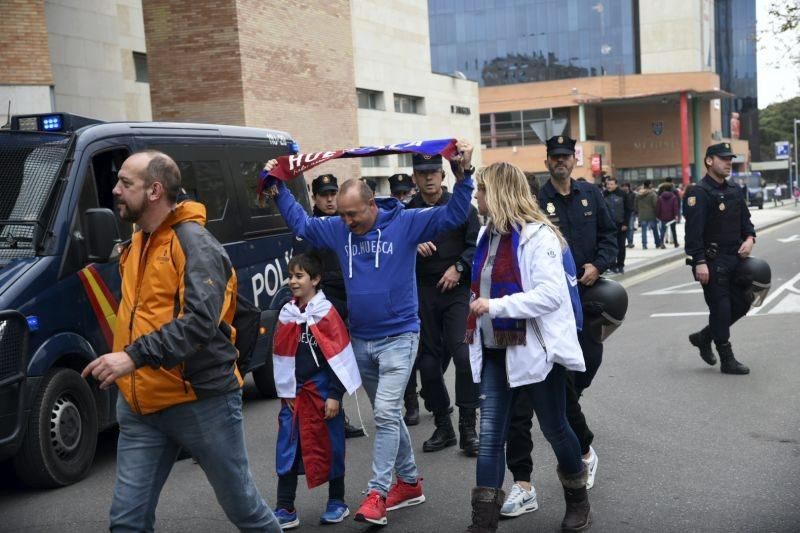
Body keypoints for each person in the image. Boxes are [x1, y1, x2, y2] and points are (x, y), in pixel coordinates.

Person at [263, 139, 475, 526]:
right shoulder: (339, 231)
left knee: (385, 413)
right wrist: (277, 190)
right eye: (342, 215)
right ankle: (409, 482)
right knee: (389, 417)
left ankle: (378, 492)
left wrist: (463, 177)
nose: (347, 222)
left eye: (353, 214)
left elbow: (455, 216)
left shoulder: (406, 223)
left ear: (372, 205)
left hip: (400, 337)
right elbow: (304, 224)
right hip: (360, 340)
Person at [81, 151, 280, 532]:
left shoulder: (196, 245)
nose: (115, 190)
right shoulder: (138, 240)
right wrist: (127, 362)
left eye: (126, 183)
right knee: (126, 521)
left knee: (246, 512)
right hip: (141, 406)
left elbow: (200, 324)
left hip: (202, 403)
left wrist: (132, 357)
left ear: (155, 190)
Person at [464, 161, 590, 533]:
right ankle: (483, 521)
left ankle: (578, 499)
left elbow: (550, 296)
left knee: (554, 427)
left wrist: (495, 306)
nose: (476, 196)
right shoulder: (486, 235)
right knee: (490, 436)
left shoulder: (540, 237)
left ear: (499, 192)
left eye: (481, 189)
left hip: (535, 351)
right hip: (493, 347)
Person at [501, 136, 616, 520]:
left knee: (571, 387)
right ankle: (522, 483)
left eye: (567, 157)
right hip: (525, 320)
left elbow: (610, 237)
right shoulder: (537, 201)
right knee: (520, 404)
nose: (561, 163)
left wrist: (598, 264)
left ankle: (581, 447)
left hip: (580, 306)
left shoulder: (590, 195)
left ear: (573, 160)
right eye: (556, 157)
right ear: (548, 161)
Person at [272, 253, 362, 528]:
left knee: (331, 447)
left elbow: (339, 356)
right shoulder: (288, 314)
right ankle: (285, 507)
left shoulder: (327, 312)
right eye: (290, 276)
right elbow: (280, 355)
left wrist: (335, 394)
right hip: (295, 395)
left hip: (322, 392)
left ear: (316, 279)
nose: (293, 281)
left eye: (299, 276)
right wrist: (285, 390)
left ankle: (337, 501)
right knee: (287, 448)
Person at [406, 153, 480, 456]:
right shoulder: (407, 212)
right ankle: (443, 425)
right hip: (422, 293)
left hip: (457, 292)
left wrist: (459, 267)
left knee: (463, 357)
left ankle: (467, 428)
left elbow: (477, 245)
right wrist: (411, 246)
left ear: (443, 175)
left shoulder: (461, 205)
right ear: (414, 177)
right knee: (428, 366)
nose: (429, 178)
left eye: (434, 171)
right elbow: (392, 249)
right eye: (422, 173)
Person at [685, 142, 755, 375]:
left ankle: (704, 337)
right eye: (723, 159)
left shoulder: (734, 190)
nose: (728, 163)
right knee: (721, 309)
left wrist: (750, 239)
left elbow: (747, 222)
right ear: (709, 161)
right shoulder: (699, 192)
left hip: (736, 259)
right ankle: (727, 358)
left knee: (744, 303)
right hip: (713, 262)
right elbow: (693, 233)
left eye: (730, 159)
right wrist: (699, 262)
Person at [310, 173, 365, 439]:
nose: (330, 199)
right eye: (324, 195)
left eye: (333, 194)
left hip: (349, 293)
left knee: (346, 355)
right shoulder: (310, 227)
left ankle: (337, 411)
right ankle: (335, 415)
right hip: (324, 297)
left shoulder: (347, 222)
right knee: (329, 357)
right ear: (315, 198)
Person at [603, 177, 631, 273]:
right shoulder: (604, 195)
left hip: (620, 224)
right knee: (610, 246)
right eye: (607, 184)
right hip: (608, 225)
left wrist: (625, 223)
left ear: (616, 185)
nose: (609, 186)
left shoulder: (623, 194)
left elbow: (628, 210)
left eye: (611, 184)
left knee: (621, 246)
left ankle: (620, 265)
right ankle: (612, 265)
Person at [635, 180, 661, 249]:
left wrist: (638, 212)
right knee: (655, 229)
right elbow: (655, 204)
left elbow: (635, 204)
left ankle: (644, 244)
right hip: (651, 214)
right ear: (649, 185)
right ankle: (657, 243)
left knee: (643, 230)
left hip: (642, 214)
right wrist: (657, 213)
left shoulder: (638, 194)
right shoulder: (652, 194)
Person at [656, 183, 680, 248]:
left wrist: (657, 216)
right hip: (672, 217)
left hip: (663, 216)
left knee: (663, 230)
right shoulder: (674, 197)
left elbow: (658, 207)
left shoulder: (660, 197)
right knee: (673, 230)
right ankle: (675, 243)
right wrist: (676, 215)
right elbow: (675, 207)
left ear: (664, 189)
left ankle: (661, 243)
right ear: (671, 189)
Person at [622, 182, 636, 248]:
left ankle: (630, 242)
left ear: (628, 187)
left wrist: (635, 210)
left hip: (631, 212)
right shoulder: (621, 194)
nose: (625, 187)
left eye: (626, 186)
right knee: (625, 228)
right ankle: (626, 242)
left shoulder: (633, 194)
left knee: (630, 228)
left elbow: (635, 203)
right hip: (623, 213)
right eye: (623, 186)